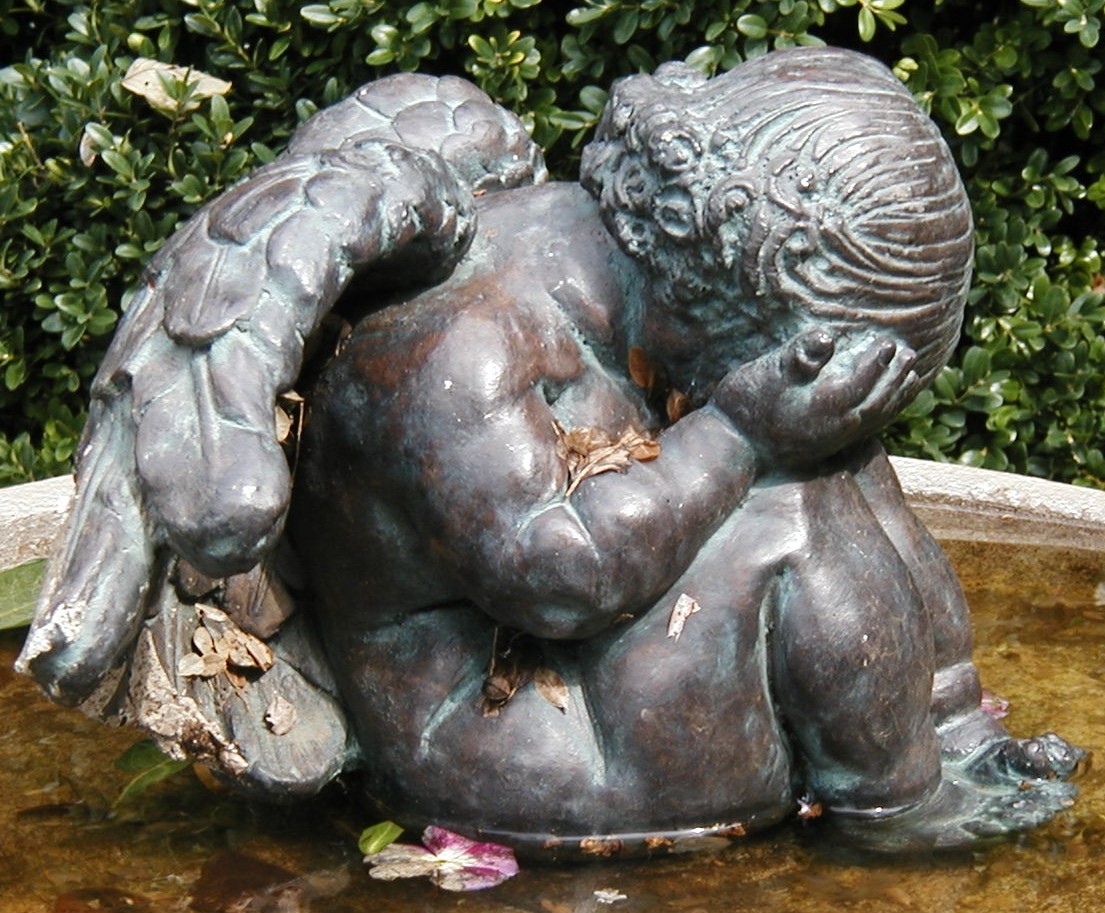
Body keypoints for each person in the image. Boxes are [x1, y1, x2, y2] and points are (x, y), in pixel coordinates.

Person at [18, 46, 1080, 855]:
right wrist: (739, 432)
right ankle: (894, 803)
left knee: (829, 456)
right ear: (732, 287)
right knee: (793, 501)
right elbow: (561, 575)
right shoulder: (460, 346)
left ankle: (949, 725)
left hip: (584, 660)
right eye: (811, 357)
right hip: (504, 741)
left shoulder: (606, 287)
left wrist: (770, 429)